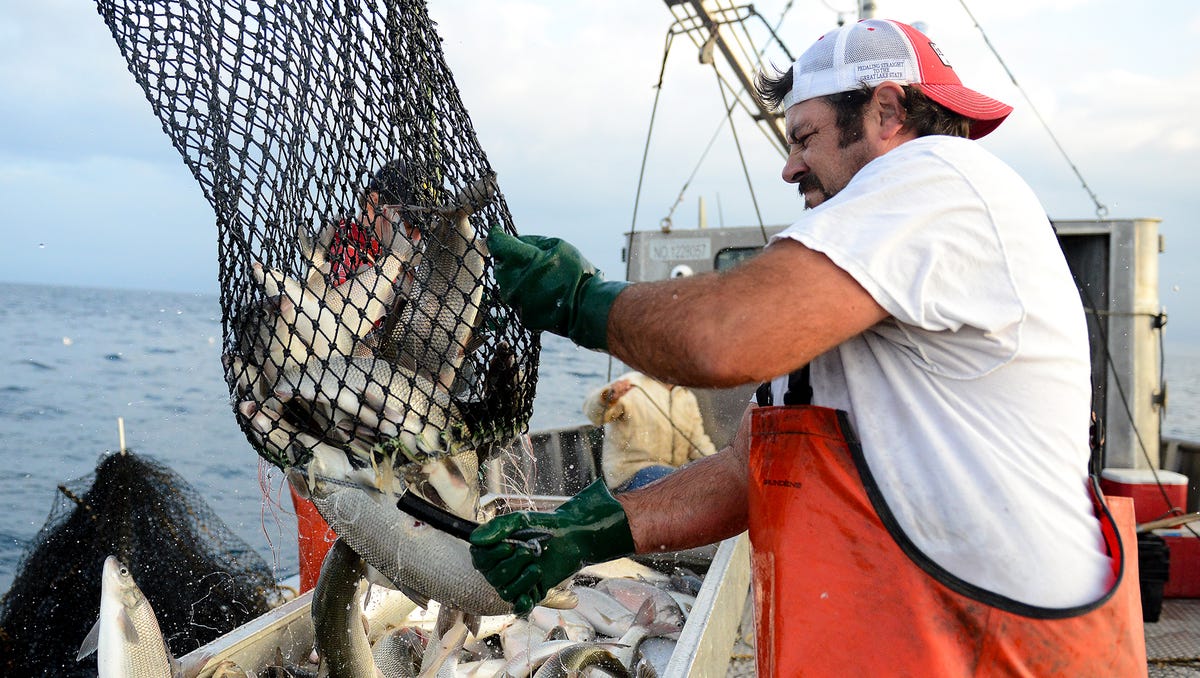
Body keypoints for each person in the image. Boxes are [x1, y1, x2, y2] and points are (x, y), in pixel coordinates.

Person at [468, 19, 1144, 675]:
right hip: (900, 644)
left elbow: (722, 339)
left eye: (805, 137)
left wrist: (580, 301)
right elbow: (746, 471)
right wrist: (590, 530)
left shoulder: (941, 175)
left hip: (995, 650)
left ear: (887, 111)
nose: (790, 167)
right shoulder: (873, 263)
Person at [582, 371, 716, 492]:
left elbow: (698, 442)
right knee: (683, 485)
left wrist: (718, 466)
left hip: (673, 475)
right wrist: (608, 398)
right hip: (630, 474)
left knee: (708, 486)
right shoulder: (631, 384)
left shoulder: (686, 396)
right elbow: (595, 416)